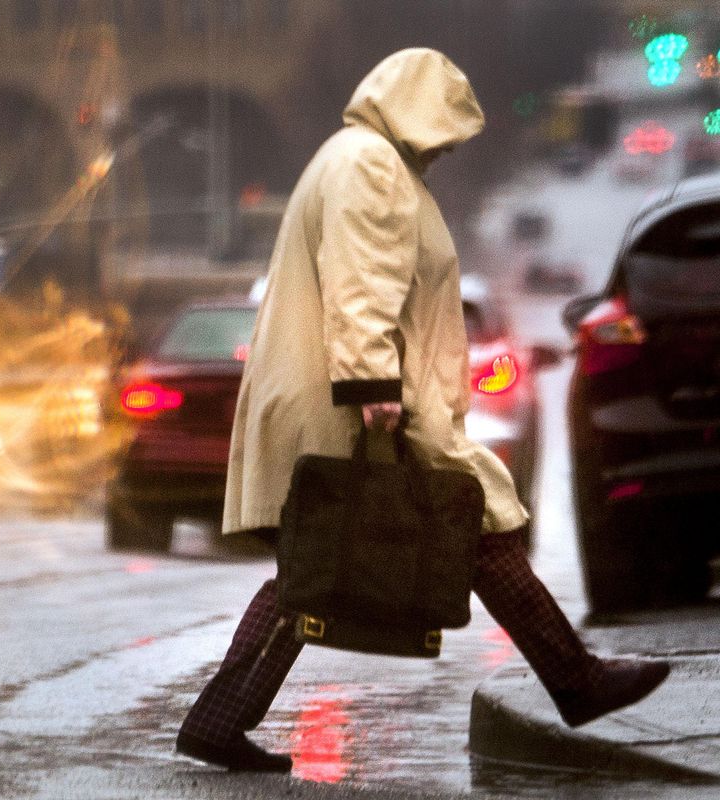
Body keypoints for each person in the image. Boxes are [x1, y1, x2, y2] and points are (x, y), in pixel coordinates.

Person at [175, 48, 670, 773]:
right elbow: (362, 283)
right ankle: (577, 680)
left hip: (348, 399)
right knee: (469, 526)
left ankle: (216, 722)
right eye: (444, 128)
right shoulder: (372, 166)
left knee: (315, 567)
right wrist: (374, 387)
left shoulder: (354, 159)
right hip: (362, 406)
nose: (446, 146)